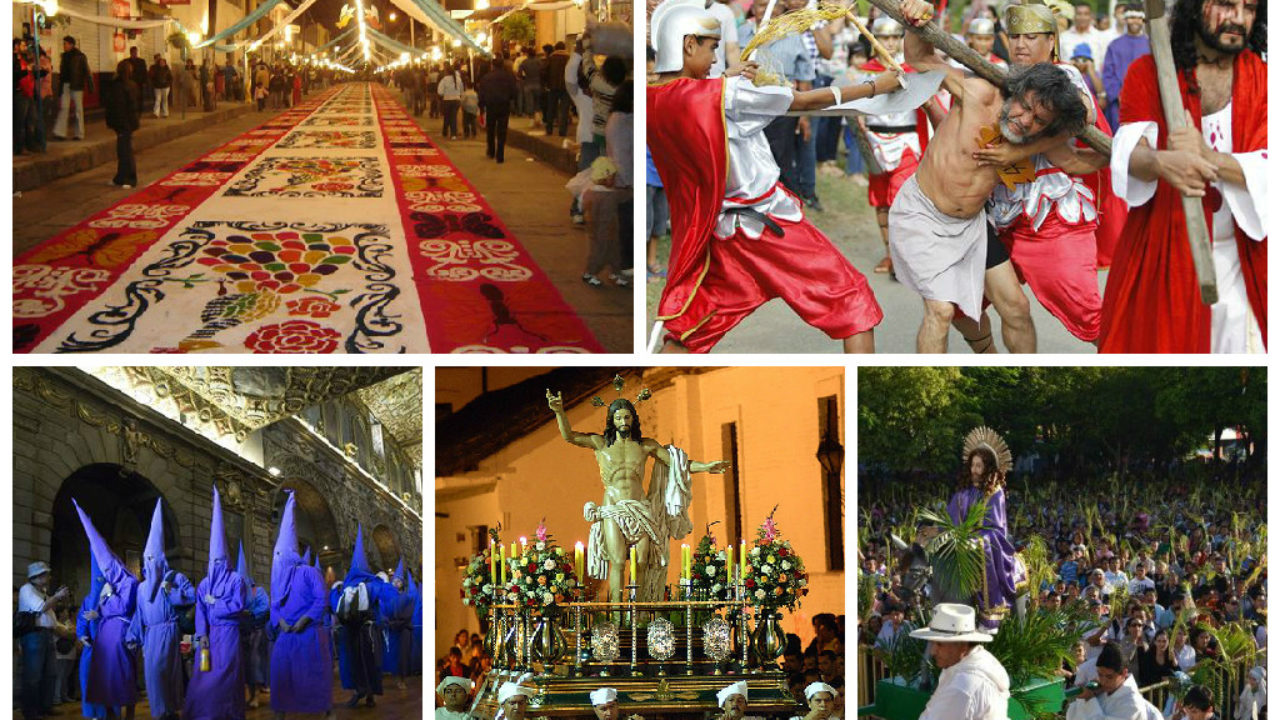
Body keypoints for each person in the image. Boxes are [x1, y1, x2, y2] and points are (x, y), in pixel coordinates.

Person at [647, 0, 901, 353]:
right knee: (852, 300)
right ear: (689, 45)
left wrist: (723, 82)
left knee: (692, 329)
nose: (716, 60)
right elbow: (805, 100)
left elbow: (697, 103)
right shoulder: (722, 94)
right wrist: (877, 86)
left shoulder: (653, 98)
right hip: (764, 223)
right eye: (712, 49)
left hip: (720, 235)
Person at [893, 0, 1087, 353]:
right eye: (1015, 36)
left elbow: (1078, 140)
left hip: (974, 224)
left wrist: (1020, 150)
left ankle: (1025, 386)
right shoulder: (978, 88)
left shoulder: (1052, 103)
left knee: (1016, 308)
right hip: (924, 214)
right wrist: (917, 16)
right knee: (941, 310)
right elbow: (921, 58)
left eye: (1038, 119)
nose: (1026, 121)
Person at [1098, 0, 1266, 353]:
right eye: (1225, 4)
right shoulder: (1149, 71)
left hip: (1249, 257)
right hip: (1165, 253)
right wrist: (1161, 162)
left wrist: (1208, 157)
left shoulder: (1267, 81)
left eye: (1249, 8)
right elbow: (1131, 147)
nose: (1238, 18)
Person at [546, 387, 728, 602]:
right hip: (613, 508)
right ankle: (615, 613)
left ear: (633, 419)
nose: (623, 420)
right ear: (612, 420)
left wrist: (706, 466)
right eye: (619, 417)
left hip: (639, 509)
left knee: (641, 562)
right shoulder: (600, 444)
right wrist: (559, 411)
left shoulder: (645, 446)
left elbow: (678, 464)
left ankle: (639, 614)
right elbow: (569, 436)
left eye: (627, 416)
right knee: (618, 561)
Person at [856, 18, 928, 276]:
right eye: (884, 38)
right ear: (874, 40)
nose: (889, 42)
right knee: (881, 202)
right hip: (875, 142)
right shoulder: (864, 71)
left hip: (905, 142)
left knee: (900, 200)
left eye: (894, 37)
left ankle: (903, 257)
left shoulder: (912, 69)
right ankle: (890, 254)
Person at [269, 491, 335, 720]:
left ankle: (325, 710)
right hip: (286, 634)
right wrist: (281, 622)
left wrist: (304, 620)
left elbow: (321, 599)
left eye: (280, 554)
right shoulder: (278, 577)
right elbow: (274, 604)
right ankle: (280, 712)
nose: (277, 558)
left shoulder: (309, 572)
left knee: (312, 675)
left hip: (308, 635)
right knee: (281, 675)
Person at [183, 486, 248, 720]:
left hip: (229, 635)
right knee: (204, 675)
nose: (217, 563)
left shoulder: (236, 579)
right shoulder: (204, 583)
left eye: (220, 560)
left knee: (227, 675)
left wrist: (217, 603)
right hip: (208, 636)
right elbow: (200, 611)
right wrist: (202, 636)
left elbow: (238, 605)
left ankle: (229, 713)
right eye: (213, 560)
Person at [73, 500, 140, 720]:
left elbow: (122, 607)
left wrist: (108, 596)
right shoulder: (99, 591)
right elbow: (94, 611)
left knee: (122, 676)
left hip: (120, 633)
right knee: (105, 679)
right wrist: (94, 618)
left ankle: (127, 714)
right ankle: (106, 715)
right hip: (103, 637)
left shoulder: (129, 582)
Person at [131, 499, 195, 720]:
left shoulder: (174, 577)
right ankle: (160, 713)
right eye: (145, 559)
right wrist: (133, 636)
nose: (148, 563)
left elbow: (191, 597)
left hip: (168, 631)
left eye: (152, 558)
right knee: (152, 675)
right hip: (150, 634)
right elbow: (139, 614)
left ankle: (170, 710)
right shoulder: (141, 588)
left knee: (166, 672)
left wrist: (171, 591)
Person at [909, 604, 1010, 720]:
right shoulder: (978, 660)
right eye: (932, 643)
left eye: (939, 644)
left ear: (962, 645)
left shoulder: (962, 686)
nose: (932, 651)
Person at [338, 525, 385, 707]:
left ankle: (360, 691)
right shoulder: (374, 584)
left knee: (356, 661)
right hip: (367, 629)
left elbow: (337, 605)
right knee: (368, 661)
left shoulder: (348, 584)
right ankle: (369, 693)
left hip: (353, 629)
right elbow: (382, 604)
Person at [19, 561, 71, 720]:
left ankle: (45, 706)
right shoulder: (27, 589)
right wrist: (57, 597)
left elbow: (51, 615)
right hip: (34, 635)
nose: (48, 577)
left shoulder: (43, 592)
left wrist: (59, 598)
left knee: (50, 673)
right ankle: (31, 711)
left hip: (47, 635)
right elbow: (41, 607)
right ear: (36, 576)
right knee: (33, 675)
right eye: (46, 574)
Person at [1065, 643, 1150, 720]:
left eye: (1109, 677)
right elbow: (1072, 716)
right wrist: (1087, 696)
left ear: (1124, 673)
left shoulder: (1132, 704)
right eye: (1100, 675)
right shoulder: (1102, 690)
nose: (1103, 681)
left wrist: (1089, 699)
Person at [1100, 5, 1149, 130]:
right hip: (1120, 104)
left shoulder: (1151, 44)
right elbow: (1108, 74)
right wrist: (1119, 95)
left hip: (1145, 101)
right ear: (1126, 19)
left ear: (1143, 20)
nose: (1135, 21)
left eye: (1139, 18)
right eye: (1132, 17)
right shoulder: (1115, 45)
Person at [236, 543, 269, 709]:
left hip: (256, 631)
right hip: (240, 632)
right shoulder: (235, 591)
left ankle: (256, 693)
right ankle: (247, 695)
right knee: (244, 665)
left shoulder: (259, 592)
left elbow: (264, 608)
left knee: (255, 663)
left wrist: (251, 613)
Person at [477, 56, 518, 162]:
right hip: (504, 105)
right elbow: (514, 91)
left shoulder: (486, 78)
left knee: (491, 129)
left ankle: (491, 151)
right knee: (502, 130)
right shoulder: (509, 76)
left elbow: (482, 93)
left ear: (492, 65)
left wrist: (481, 107)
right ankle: (500, 154)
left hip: (491, 105)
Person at [53, 35, 93, 141]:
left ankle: (79, 133)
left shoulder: (80, 56)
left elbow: (87, 71)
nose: (64, 46)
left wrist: (90, 86)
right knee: (64, 108)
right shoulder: (64, 56)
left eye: (65, 44)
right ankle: (60, 133)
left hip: (76, 85)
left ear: (71, 44)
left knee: (78, 110)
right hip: (66, 84)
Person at [544, 42, 571, 136]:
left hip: (552, 87)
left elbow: (543, 71)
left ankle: (549, 129)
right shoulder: (569, 58)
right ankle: (562, 131)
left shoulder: (551, 58)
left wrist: (546, 83)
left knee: (551, 108)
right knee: (564, 110)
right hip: (566, 87)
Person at [438, 63, 464, 140]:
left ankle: (448, 132)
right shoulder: (458, 79)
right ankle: (451, 133)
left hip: (447, 100)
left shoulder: (444, 80)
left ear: (447, 72)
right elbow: (461, 90)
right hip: (456, 100)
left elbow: (440, 91)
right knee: (453, 116)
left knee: (447, 116)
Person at [126, 47, 148, 116]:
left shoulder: (141, 61)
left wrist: (144, 82)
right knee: (131, 97)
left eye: (136, 52)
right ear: (131, 53)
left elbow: (144, 72)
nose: (135, 54)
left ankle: (139, 111)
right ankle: (131, 111)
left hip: (139, 83)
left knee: (139, 97)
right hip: (130, 82)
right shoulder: (127, 61)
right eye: (133, 52)